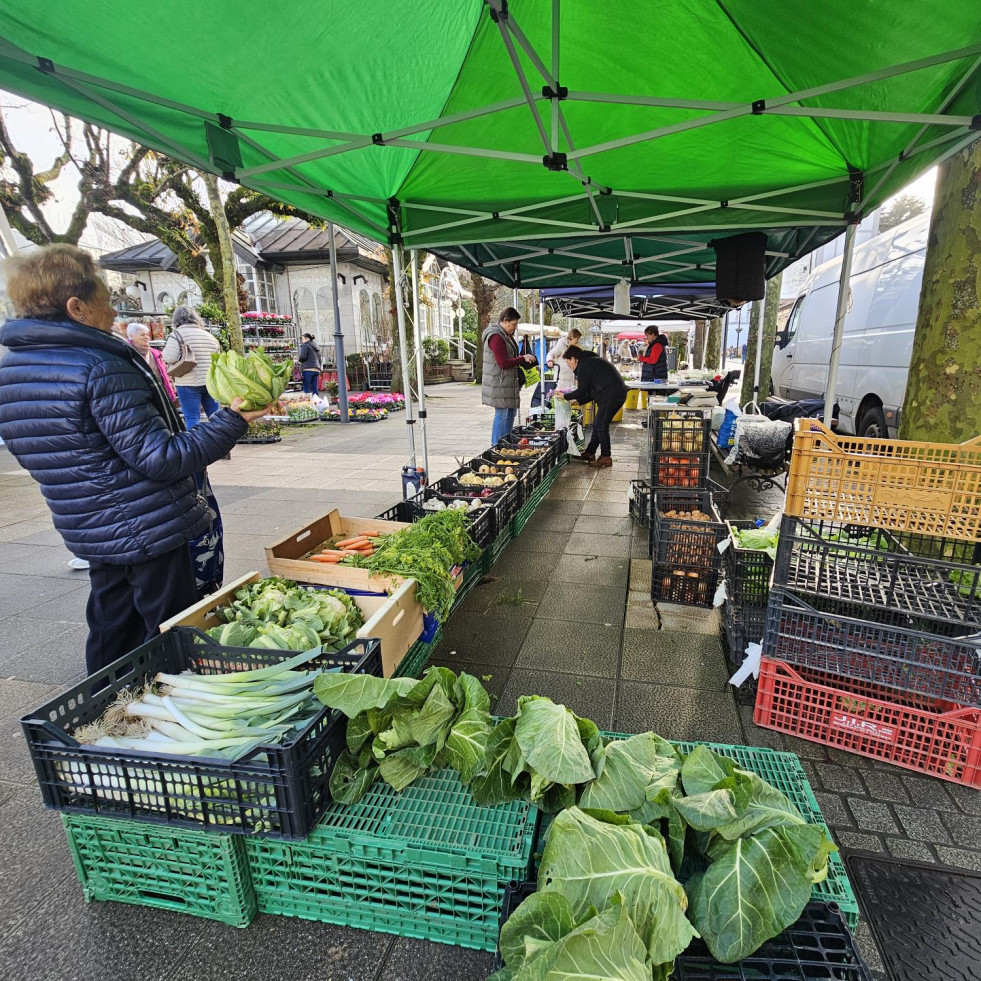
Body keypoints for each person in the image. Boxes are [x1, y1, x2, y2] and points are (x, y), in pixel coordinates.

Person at [0, 245, 271, 674]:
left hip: (87, 524)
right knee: (169, 630)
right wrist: (232, 421)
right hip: (147, 524)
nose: (114, 310)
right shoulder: (99, 366)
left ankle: (105, 714)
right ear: (77, 307)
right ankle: (170, 713)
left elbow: (38, 453)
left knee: (111, 624)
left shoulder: (12, 368)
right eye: (105, 299)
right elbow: (161, 458)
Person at [554, 344, 627, 468]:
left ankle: (606, 457)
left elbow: (582, 390)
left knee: (601, 425)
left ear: (573, 358)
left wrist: (565, 396)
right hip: (611, 394)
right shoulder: (589, 361)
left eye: (568, 362)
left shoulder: (584, 365)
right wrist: (578, 401)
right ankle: (590, 453)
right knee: (598, 424)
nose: (568, 366)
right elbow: (590, 391)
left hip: (612, 395)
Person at [482, 306, 536, 444]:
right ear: (505, 321)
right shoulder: (496, 337)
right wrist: (522, 359)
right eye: (513, 324)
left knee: (510, 413)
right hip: (500, 383)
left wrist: (523, 358)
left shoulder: (506, 336)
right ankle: (496, 445)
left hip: (508, 383)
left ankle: (505, 442)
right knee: (502, 414)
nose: (515, 327)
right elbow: (503, 363)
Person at [161, 305, 221, 427]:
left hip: (187, 382)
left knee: (192, 417)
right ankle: (222, 440)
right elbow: (217, 359)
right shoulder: (209, 336)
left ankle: (195, 444)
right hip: (210, 382)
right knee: (215, 416)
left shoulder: (177, 335)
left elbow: (169, 357)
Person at [127, 322, 177, 403]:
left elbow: (165, 374)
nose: (147, 337)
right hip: (140, 397)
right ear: (132, 336)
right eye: (142, 335)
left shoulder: (155, 353)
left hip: (159, 393)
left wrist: (170, 387)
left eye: (147, 334)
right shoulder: (128, 354)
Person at [545, 327, 582, 431]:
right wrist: (550, 361)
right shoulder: (561, 344)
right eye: (577, 339)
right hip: (562, 381)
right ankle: (561, 429)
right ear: (572, 337)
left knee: (569, 406)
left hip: (571, 380)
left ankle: (568, 428)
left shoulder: (572, 346)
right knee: (562, 405)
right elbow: (550, 354)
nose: (577, 341)